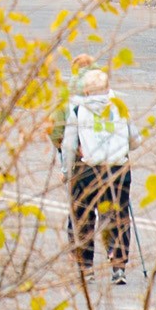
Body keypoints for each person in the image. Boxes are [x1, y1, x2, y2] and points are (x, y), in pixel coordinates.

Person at [61, 68, 135, 284]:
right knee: (118, 218)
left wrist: (66, 171)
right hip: (117, 168)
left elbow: (68, 145)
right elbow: (135, 138)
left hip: (88, 170)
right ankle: (118, 266)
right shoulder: (120, 109)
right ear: (107, 88)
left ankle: (86, 268)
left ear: (86, 90)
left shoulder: (77, 110)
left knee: (84, 218)